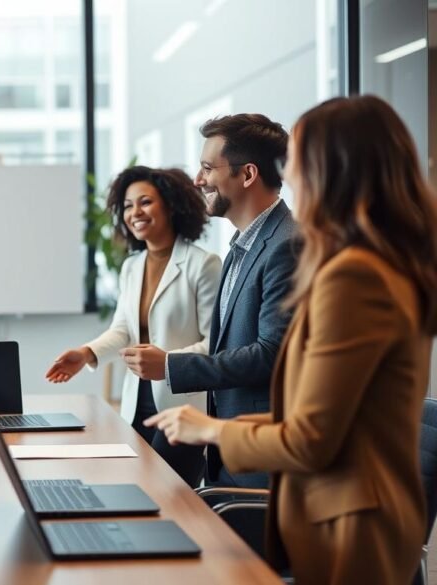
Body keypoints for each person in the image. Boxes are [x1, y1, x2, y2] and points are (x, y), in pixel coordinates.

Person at [146, 95, 437, 585]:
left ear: (332, 169)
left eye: (298, 159)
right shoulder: (382, 265)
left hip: (346, 528)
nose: (292, 173)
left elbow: (312, 437)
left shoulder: (354, 277)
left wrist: (210, 429)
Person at [122, 114, 296, 488]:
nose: (198, 180)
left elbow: (271, 353)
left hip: (259, 455)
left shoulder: (287, 245)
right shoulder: (242, 244)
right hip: (230, 444)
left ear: (247, 175)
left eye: (206, 168)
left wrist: (171, 365)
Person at [46, 166, 220, 487]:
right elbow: (124, 331)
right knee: (138, 492)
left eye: (145, 202)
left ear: (171, 205)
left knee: (168, 498)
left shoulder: (203, 264)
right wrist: (86, 353)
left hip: (182, 409)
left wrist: (166, 362)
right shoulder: (131, 266)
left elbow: (216, 345)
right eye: (127, 205)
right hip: (136, 406)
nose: (135, 212)